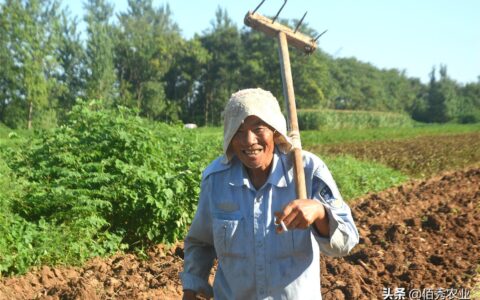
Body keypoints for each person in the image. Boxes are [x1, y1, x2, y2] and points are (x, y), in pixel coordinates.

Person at [181, 88, 359, 299]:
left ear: (275, 131)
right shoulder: (216, 179)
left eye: (259, 129)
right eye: (238, 130)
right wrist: (192, 288)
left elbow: (347, 240)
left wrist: (320, 212)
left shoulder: (308, 170)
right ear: (229, 136)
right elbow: (201, 243)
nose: (249, 140)